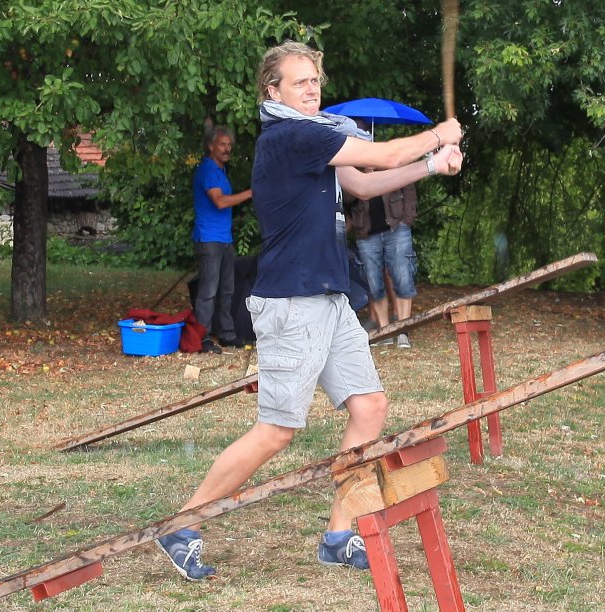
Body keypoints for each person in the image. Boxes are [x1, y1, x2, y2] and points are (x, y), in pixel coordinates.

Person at [157, 42, 464, 580]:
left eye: (315, 80)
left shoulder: (315, 135)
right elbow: (384, 155)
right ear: (272, 92)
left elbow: (363, 182)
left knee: (369, 406)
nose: (312, 89)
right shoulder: (290, 136)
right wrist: (439, 134)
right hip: (291, 301)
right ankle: (181, 524)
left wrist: (432, 165)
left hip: (329, 296)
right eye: (299, 82)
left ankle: (339, 535)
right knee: (277, 429)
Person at [190, 125, 251, 353]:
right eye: (222, 145)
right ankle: (202, 338)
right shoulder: (208, 170)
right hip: (209, 238)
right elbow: (220, 201)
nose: (227, 149)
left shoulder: (220, 170)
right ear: (210, 146)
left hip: (224, 238)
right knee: (208, 291)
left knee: (227, 289)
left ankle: (226, 334)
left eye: (229, 145)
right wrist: (251, 192)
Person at [348, 183, 419, 347]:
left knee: (403, 279)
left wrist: (408, 218)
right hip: (366, 232)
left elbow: (407, 184)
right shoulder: (355, 169)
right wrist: (362, 176)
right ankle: (384, 331)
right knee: (373, 284)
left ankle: (403, 331)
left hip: (397, 226)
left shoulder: (391, 164)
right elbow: (347, 198)